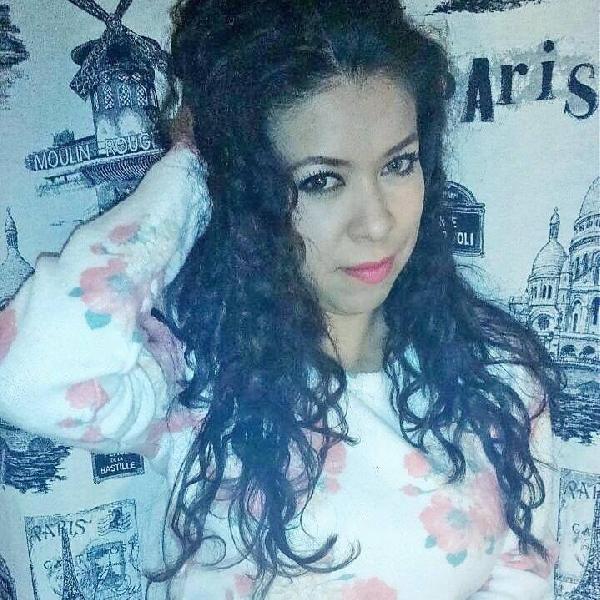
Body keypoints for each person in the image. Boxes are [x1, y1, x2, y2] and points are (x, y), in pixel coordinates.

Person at [0, 0, 561, 598]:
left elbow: (522, 578)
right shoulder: (194, 369)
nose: (377, 223)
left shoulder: (497, 373)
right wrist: (194, 166)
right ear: (249, 188)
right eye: (321, 180)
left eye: (399, 164)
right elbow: (29, 377)